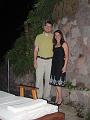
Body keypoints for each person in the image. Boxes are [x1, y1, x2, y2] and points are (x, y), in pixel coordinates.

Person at [34, 20, 53, 101]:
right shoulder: (38, 37)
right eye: (47, 26)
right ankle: (38, 97)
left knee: (48, 79)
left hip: (50, 61)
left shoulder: (53, 37)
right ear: (44, 27)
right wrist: (34, 61)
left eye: (50, 26)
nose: (48, 28)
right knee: (39, 79)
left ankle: (46, 97)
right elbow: (36, 50)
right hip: (40, 60)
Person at [49, 30, 69, 105]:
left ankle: (60, 98)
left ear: (61, 35)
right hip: (54, 65)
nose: (57, 36)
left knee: (58, 84)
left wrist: (65, 67)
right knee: (56, 83)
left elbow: (66, 57)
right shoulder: (54, 45)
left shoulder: (64, 44)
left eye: (58, 35)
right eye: (55, 35)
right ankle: (57, 99)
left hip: (60, 65)